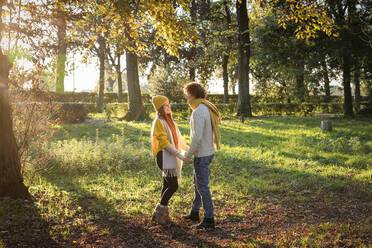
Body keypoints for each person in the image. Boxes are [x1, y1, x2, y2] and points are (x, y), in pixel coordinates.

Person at [182, 82, 221, 229]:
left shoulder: (199, 111)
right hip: (207, 152)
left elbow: (197, 138)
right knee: (197, 184)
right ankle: (194, 212)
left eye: (187, 94)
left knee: (202, 187)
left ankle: (209, 219)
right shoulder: (204, 108)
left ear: (192, 95)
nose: (186, 97)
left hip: (202, 154)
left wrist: (188, 155)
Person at [150, 95, 189, 225]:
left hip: (170, 156)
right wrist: (181, 156)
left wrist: (191, 150)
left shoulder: (170, 122)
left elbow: (180, 141)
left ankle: (161, 215)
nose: (168, 107)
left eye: (169, 104)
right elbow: (166, 144)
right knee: (173, 185)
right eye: (165, 105)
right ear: (160, 108)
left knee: (167, 185)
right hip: (163, 157)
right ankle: (159, 212)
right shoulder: (158, 122)